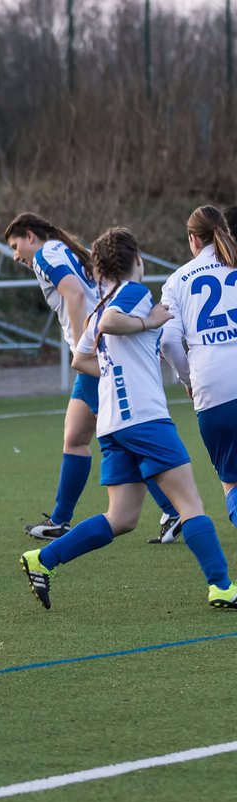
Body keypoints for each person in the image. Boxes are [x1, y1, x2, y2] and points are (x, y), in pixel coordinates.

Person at [19, 227, 237, 610]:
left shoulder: (99, 306)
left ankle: (44, 559)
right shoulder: (133, 294)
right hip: (145, 418)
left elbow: (79, 358)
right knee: (191, 504)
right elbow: (112, 326)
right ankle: (221, 587)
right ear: (137, 259)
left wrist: (118, 372)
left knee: (121, 517)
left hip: (114, 424)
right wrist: (147, 324)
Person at [4, 212, 181, 544]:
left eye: (16, 246)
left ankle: (173, 509)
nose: (16, 256)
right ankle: (61, 519)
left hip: (95, 355)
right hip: (98, 353)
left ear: (30, 236)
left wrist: (81, 342)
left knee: (122, 438)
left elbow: (73, 293)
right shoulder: (63, 249)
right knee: (75, 436)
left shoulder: (45, 254)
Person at [160, 206, 237, 572]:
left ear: (193, 239)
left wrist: (189, 380)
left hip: (215, 389)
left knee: (232, 483)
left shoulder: (177, 280)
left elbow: (169, 342)